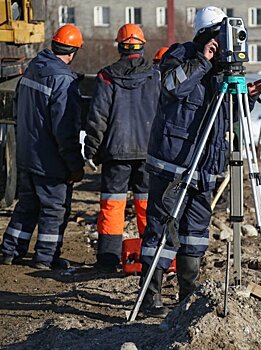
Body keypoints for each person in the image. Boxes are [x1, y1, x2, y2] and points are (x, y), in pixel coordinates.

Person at [139, 6, 261, 317]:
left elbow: (225, 118)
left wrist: (245, 97)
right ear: (205, 35)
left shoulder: (223, 70)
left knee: (195, 234)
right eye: (218, 35)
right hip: (174, 164)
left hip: (206, 167)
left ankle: (186, 296)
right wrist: (202, 61)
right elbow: (171, 87)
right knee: (162, 231)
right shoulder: (181, 55)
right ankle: (150, 297)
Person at [0, 24, 85, 269]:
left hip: (27, 155)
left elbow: (17, 109)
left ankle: (10, 251)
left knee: (27, 204)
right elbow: (65, 129)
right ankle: (46, 258)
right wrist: (74, 164)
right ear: (73, 51)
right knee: (54, 209)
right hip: (50, 162)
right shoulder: (63, 79)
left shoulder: (31, 69)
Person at [84, 24, 161, 272]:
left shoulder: (107, 77)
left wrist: (92, 149)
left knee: (112, 205)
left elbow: (98, 117)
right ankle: (150, 259)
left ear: (119, 46)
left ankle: (108, 260)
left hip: (115, 152)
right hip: (149, 153)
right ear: (142, 46)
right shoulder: (155, 76)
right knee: (148, 205)